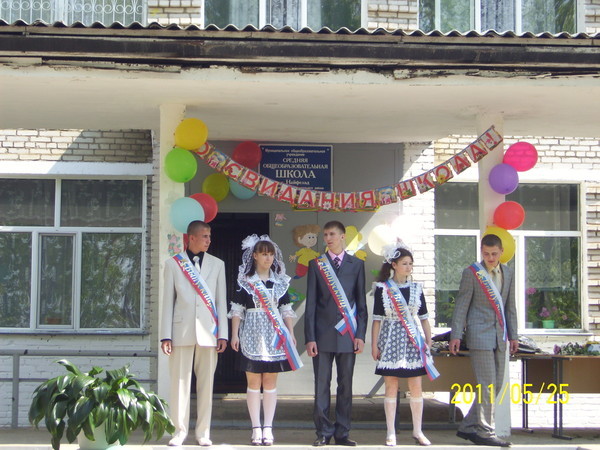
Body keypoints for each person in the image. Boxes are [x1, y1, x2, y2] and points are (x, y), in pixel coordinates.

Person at [160, 220, 228, 447]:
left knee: (206, 386)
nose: (209, 240)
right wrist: (166, 335)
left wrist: (223, 334)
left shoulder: (218, 264)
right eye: (205, 236)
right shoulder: (173, 264)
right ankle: (179, 431)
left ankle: (203, 432)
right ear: (191, 238)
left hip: (209, 332)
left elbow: (221, 301)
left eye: (210, 236)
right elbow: (168, 302)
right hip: (181, 331)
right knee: (180, 384)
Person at [230, 234, 303, 446]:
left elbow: (286, 309)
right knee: (253, 382)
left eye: (270, 254)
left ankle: (268, 427)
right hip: (251, 334)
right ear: (254, 256)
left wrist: (291, 333)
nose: (268, 258)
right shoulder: (245, 282)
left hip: (274, 335)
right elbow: (237, 310)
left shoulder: (280, 282)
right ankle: (256, 428)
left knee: (270, 381)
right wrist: (234, 334)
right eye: (263, 254)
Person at [449, 233, 518, 448]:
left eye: (494, 254)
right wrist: (456, 334)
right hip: (479, 335)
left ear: (501, 252)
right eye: (486, 254)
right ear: (481, 252)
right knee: (487, 385)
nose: (490, 257)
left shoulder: (508, 272)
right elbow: (461, 305)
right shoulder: (472, 273)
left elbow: (510, 307)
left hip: (500, 335)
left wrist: (514, 335)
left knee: (496, 385)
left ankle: (468, 426)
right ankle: (486, 431)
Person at [304, 220, 368, 447]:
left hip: (348, 334)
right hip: (322, 335)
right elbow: (311, 304)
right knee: (321, 385)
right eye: (325, 235)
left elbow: (361, 304)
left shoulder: (357, 264)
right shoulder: (316, 265)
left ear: (342, 237)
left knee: (345, 385)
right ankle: (323, 431)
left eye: (332, 234)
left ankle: (342, 432)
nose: (328, 238)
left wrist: (360, 335)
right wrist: (310, 337)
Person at [371, 245, 438, 447]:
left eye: (410, 264)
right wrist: (374, 345)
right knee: (391, 385)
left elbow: (424, 318)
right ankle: (391, 432)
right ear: (394, 265)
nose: (408, 267)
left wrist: (428, 340)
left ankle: (418, 431)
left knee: (415, 385)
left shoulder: (417, 288)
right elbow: (377, 320)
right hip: (390, 339)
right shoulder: (383, 289)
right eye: (404, 263)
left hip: (412, 341)